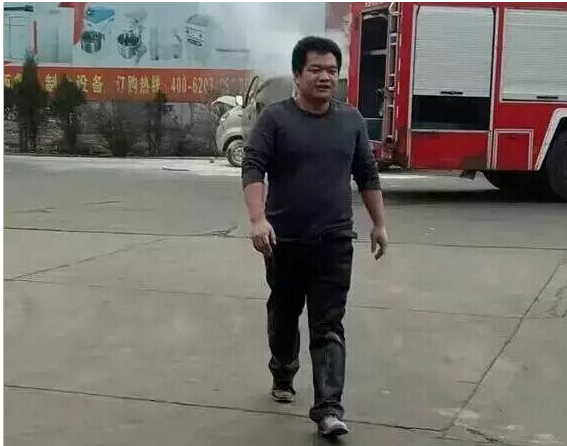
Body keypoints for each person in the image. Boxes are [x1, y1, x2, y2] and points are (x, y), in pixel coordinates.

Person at [241, 36, 388, 437]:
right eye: (316, 70)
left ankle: (328, 409)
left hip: (334, 241)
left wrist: (378, 224)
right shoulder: (275, 119)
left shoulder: (351, 120)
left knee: (328, 324)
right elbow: (253, 167)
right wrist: (258, 219)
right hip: (284, 241)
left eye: (331, 71)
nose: (325, 77)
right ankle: (283, 370)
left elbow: (367, 173)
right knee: (284, 313)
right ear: (297, 74)